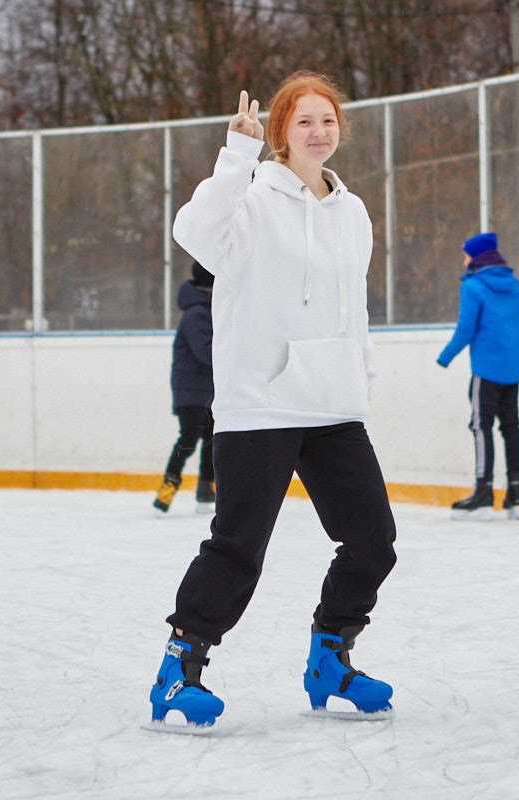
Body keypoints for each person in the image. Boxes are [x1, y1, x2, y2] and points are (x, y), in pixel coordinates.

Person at [148, 74, 398, 730]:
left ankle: (331, 657)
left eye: (327, 119)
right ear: (281, 133)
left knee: (374, 541)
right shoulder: (252, 201)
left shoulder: (354, 211)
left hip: (334, 405)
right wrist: (236, 155)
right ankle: (179, 670)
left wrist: (358, 376)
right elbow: (193, 231)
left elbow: (357, 306)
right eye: (303, 121)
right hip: (261, 403)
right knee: (238, 547)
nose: (318, 131)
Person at [437, 232, 519, 519]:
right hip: (512, 372)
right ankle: (515, 492)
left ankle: (483, 491)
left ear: (476, 257)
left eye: (466, 254)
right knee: (511, 428)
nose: (463, 260)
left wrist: (444, 357)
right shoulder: (514, 284)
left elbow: (466, 330)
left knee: (481, 426)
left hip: (485, 372)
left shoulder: (473, 287)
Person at [152, 261, 216, 513]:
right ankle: (166, 492)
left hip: (205, 391)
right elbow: (206, 352)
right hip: (191, 392)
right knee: (189, 438)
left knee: (211, 439)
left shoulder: (205, 310)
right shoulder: (196, 314)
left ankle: (205, 492)